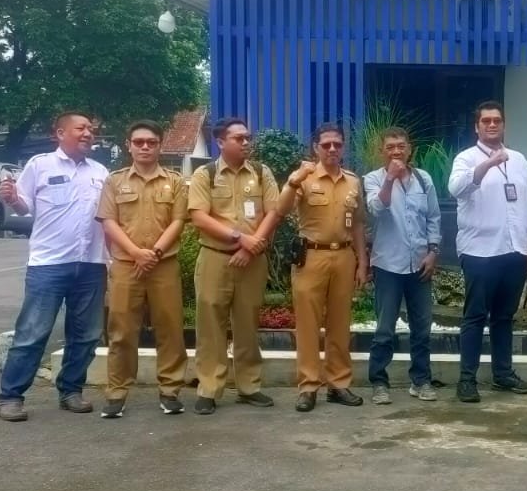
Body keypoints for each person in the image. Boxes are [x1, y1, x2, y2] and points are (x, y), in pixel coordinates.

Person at [0, 111, 110, 422]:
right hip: (49, 263)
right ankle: (11, 396)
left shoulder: (100, 172)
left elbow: (110, 219)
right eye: (80, 128)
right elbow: (23, 206)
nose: (88, 132)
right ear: (59, 133)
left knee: (85, 335)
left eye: (90, 128)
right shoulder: (39, 165)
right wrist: (11, 198)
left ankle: (71, 390)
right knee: (33, 332)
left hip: (92, 264)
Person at [185, 117, 283, 415]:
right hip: (215, 256)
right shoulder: (206, 174)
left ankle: (249, 386)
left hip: (252, 259)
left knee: (247, 324)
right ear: (220, 142)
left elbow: (274, 212)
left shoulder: (261, 172)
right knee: (210, 324)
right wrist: (241, 239)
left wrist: (253, 247)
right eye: (238, 138)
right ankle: (209, 389)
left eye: (247, 137)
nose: (245, 142)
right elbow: (199, 217)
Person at [447, 101, 527, 403]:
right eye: (485, 121)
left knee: (504, 316)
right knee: (475, 316)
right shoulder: (466, 158)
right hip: (480, 251)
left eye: (497, 120)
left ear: (503, 125)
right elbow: (456, 189)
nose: (491, 125)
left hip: (515, 249)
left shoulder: (519, 160)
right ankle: (467, 379)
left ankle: (503, 374)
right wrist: (488, 164)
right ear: (476, 126)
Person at [95, 120, 189, 419]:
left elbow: (178, 221)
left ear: (160, 145)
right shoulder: (115, 181)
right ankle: (117, 393)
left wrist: (156, 252)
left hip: (164, 265)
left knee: (170, 329)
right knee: (121, 331)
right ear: (129, 145)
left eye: (151, 142)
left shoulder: (174, 181)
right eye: (139, 142)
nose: (145, 147)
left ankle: (170, 390)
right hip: (126, 267)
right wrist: (136, 252)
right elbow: (109, 221)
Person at [277, 122, 369, 412]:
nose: (332, 149)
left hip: (344, 256)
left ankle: (338, 384)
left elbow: (358, 224)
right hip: (311, 257)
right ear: (315, 147)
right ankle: (308, 386)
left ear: (343, 148)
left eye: (337, 144)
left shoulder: (353, 181)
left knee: (340, 324)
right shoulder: (303, 177)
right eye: (326, 144)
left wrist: (362, 262)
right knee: (307, 324)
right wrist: (294, 181)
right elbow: (280, 210)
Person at [363, 127, 443, 405]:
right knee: (384, 329)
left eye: (401, 146)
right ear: (382, 151)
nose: (396, 151)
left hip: (420, 263)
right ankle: (379, 382)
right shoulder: (372, 179)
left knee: (422, 328)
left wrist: (433, 251)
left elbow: (433, 217)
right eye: (390, 147)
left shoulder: (424, 179)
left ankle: (421, 380)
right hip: (388, 265)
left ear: (409, 148)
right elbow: (377, 209)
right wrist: (390, 179)